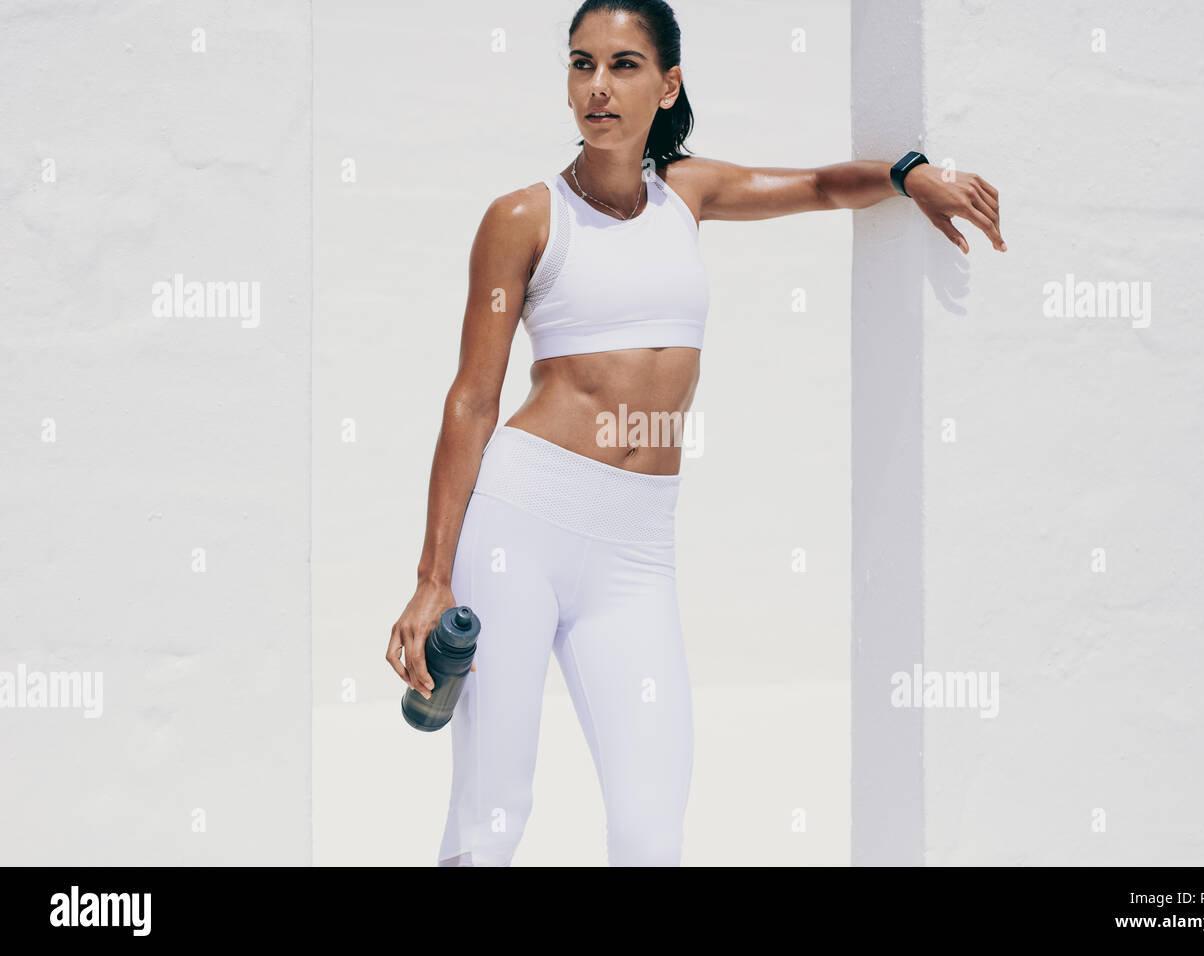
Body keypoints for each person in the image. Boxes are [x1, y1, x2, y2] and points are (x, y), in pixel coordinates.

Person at [386, 0, 1006, 867]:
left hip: (636, 548)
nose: (597, 86)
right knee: (492, 816)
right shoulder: (525, 218)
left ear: (668, 82)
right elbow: (471, 401)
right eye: (581, 63)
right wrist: (431, 578)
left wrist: (909, 174)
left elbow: (821, 187)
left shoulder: (689, 193)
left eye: (625, 64)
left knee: (650, 826)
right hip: (519, 524)